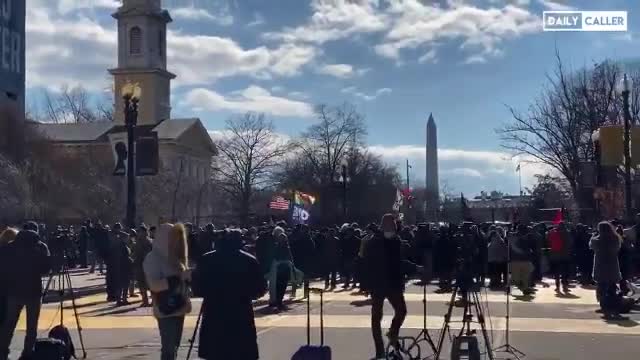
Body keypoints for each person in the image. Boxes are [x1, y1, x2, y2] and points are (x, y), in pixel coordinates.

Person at [192, 229, 267, 360]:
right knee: (241, 353)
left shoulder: (206, 259)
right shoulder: (249, 260)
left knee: (215, 353)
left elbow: (197, 289)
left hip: (214, 314)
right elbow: (260, 289)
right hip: (241, 315)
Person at [361, 214, 420, 360]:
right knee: (376, 318)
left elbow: (400, 262)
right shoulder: (373, 242)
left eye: (392, 225)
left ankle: (393, 333)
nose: (391, 228)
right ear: (383, 226)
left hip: (393, 283)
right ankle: (380, 351)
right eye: (388, 225)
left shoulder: (396, 241)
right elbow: (365, 264)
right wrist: (365, 284)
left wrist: (414, 267)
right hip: (379, 284)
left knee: (401, 311)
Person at [0, 222, 51, 360]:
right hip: (34, 291)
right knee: (31, 326)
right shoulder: (41, 247)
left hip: (14, 290)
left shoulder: (10, 246)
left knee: (9, 324)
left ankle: (2, 351)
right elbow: (46, 269)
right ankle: (27, 353)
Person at [144, 223, 192, 360]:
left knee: (174, 346)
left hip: (179, 306)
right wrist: (177, 279)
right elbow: (154, 285)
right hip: (166, 309)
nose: (175, 241)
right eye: (172, 237)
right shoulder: (153, 258)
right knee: (169, 349)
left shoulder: (175, 257)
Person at [590, 222, 622, 317]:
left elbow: (591, 245)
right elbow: (617, 248)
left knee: (601, 287)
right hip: (612, 264)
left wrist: (593, 235)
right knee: (612, 286)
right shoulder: (615, 238)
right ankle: (613, 306)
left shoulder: (597, 240)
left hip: (601, 265)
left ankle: (604, 307)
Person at [268, 226, 294, 310]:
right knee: (282, 286)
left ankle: (276, 301)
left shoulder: (276, 246)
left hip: (278, 269)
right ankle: (279, 302)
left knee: (278, 286)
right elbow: (289, 258)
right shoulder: (286, 247)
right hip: (284, 269)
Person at [548, 222, 574, 293]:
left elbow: (549, 240)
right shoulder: (567, 233)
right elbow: (570, 243)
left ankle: (557, 286)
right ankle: (564, 286)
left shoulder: (553, 232)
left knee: (556, 272)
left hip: (555, 255)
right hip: (565, 256)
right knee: (564, 272)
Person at [133, 225, 153, 307]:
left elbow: (148, 253)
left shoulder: (148, 241)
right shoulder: (138, 241)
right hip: (139, 265)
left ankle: (154, 301)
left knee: (149, 284)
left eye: (140, 231)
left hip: (146, 265)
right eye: (138, 231)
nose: (138, 233)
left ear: (144, 232)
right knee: (141, 284)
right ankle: (145, 300)